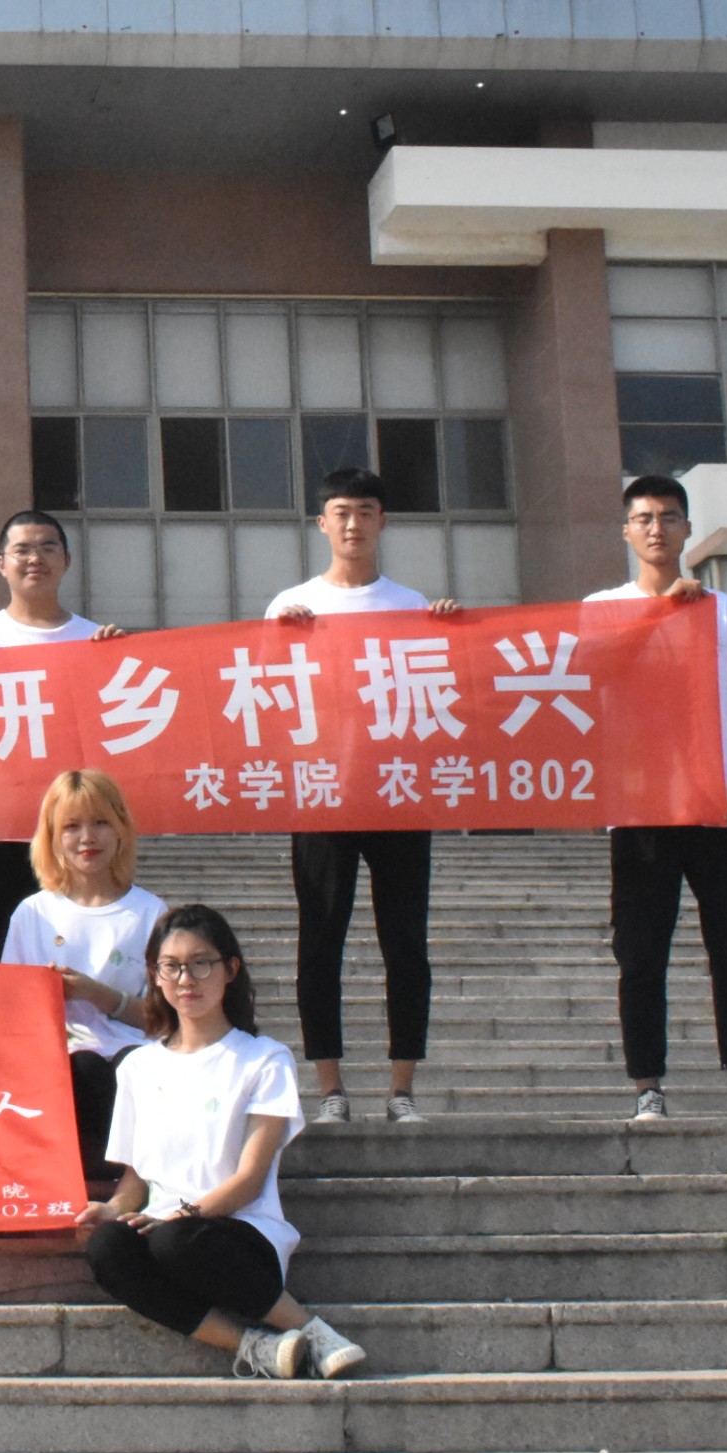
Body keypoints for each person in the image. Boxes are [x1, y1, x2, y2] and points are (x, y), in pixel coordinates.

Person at [586, 474, 727, 1122]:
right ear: (626, 532)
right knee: (640, 953)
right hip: (641, 807)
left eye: (668, 517)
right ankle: (647, 1088)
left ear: (686, 528)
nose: (656, 529)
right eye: (644, 518)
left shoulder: (726, 611)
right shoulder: (600, 609)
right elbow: (582, 683)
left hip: (719, 807)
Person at [80, 904, 365, 1381]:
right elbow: (136, 1179)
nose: (186, 979)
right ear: (155, 975)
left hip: (237, 1233)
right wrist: (110, 1210)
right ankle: (254, 1346)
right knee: (108, 1247)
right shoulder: (137, 1067)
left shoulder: (264, 1059)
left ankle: (312, 1330)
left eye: (201, 963)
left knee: (176, 1241)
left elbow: (250, 1178)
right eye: (171, 966)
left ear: (230, 969)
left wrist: (181, 1216)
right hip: (163, 1229)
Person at [266, 466, 462, 1127]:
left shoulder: (411, 604)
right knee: (319, 942)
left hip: (397, 792)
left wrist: (452, 633)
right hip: (321, 793)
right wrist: (280, 641)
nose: (353, 524)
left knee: (404, 944)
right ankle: (331, 1088)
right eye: (341, 512)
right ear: (322, 522)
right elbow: (264, 697)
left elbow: (443, 692)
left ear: (383, 522)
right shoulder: (290, 604)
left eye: (366, 512)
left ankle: (402, 1088)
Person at [0, 511, 128, 959]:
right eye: (22, 549)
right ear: (1, 563)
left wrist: (121, 664)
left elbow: (119, 733)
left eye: (47, 547)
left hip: (77, 829)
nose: (35, 559)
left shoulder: (95, 640)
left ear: (66, 560)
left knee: (79, 955)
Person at [0, 769, 168, 1176]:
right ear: (52, 836)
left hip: (135, 1054)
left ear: (121, 829)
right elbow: (8, 1012)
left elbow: (165, 1018)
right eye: (71, 826)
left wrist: (98, 994)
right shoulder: (33, 913)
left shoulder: (150, 913)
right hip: (59, 1059)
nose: (87, 838)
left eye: (101, 823)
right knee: (85, 1067)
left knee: (131, 1065)